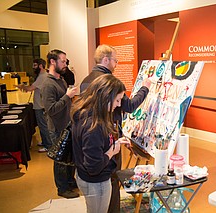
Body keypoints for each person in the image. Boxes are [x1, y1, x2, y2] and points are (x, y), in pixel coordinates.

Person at [80, 44, 151, 213]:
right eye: (115, 60)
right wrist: (145, 87)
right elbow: (130, 105)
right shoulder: (107, 83)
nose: (116, 64)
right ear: (106, 60)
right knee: (110, 180)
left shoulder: (85, 80)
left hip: (95, 145)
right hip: (107, 138)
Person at [72, 74, 130, 213]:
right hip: (96, 182)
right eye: (117, 100)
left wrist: (115, 142)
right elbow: (94, 166)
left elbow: (96, 146)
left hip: (87, 178)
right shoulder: (93, 126)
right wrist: (112, 151)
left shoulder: (86, 113)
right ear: (106, 98)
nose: (119, 105)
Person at [41, 49, 79, 199]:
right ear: (52, 62)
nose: (65, 64)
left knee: (68, 156)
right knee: (60, 159)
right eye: (63, 61)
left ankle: (70, 181)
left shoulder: (61, 80)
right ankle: (62, 188)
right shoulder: (48, 84)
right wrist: (67, 96)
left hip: (67, 125)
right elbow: (51, 110)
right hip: (56, 128)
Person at [15, 58, 51, 152]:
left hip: (41, 105)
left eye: (35, 65)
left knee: (43, 126)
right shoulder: (42, 75)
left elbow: (30, 88)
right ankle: (45, 141)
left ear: (40, 66)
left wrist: (22, 86)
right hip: (40, 104)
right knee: (42, 125)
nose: (33, 67)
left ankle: (48, 145)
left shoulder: (43, 76)